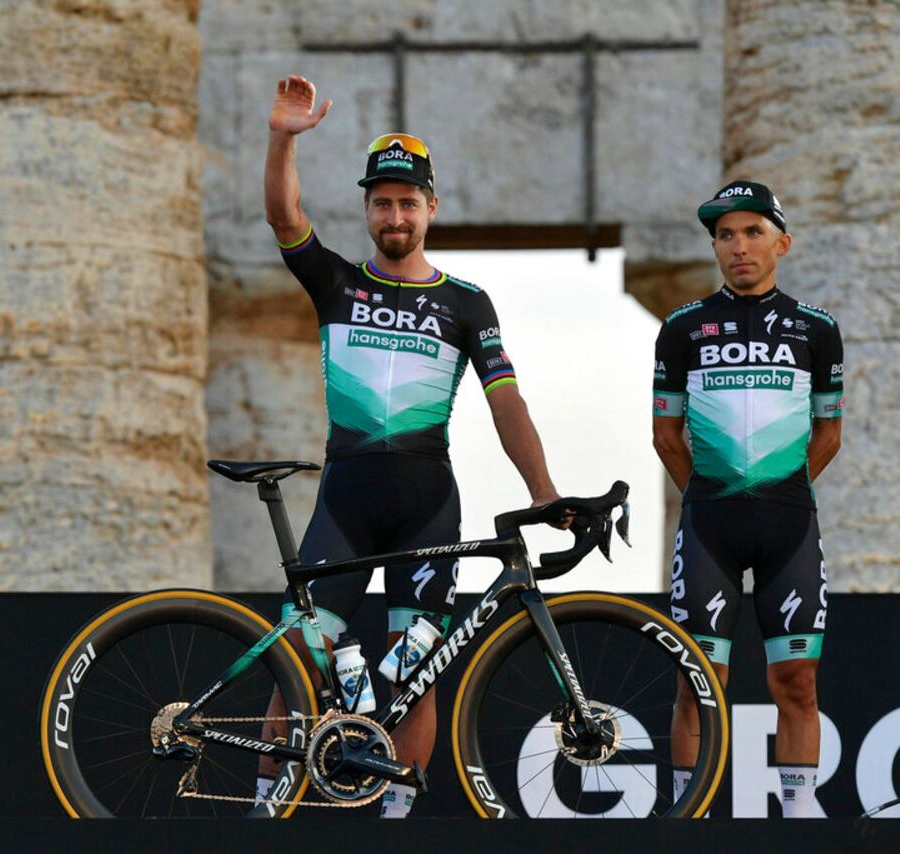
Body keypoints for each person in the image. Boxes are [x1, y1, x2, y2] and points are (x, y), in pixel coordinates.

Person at [260, 75, 562, 818]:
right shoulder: (336, 283)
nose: (395, 215)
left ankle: (398, 819)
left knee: (416, 675)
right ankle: (264, 810)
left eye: (408, 202)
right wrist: (282, 140)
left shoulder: (466, 304)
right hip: (346, 504)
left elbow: (507, 401)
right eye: (382, 203)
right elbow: (284, 215)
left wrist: (543, 491)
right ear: (367, 210)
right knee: (296, 664)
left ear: (432, 208)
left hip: (426, 507)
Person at [654, 181, 843, 818]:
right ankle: (689, 812)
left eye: (753, 232)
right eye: (725, 235)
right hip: (709, 528)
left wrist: (781, 488)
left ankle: (798, 812)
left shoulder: (818, 328)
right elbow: (664, 434)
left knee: (797, 681)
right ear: (714, 247)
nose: (738, 246)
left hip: (790, 528)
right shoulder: (682, 327)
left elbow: (830, 433)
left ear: (781, 243)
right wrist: (710, 494)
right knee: (699, 684)